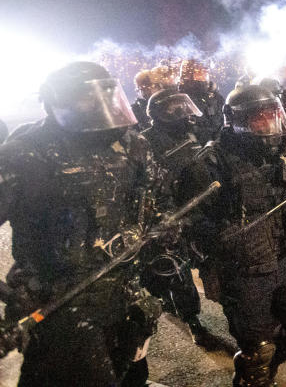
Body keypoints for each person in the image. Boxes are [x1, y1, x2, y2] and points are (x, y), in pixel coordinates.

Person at [0, 62, 170, 386]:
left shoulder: (133, 146)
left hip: (125, 294)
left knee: (131, 377)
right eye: (86, 98)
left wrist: (164, 227)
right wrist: (10, 297)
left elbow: (158, 197)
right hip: (61, 306)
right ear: (55, 101)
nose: (99, 106)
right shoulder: (25, 155)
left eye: (105, 96)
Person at [193, 85, 286, 386]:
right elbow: (192, 222)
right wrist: (220, 234)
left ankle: (265, 372)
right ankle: (255, 377)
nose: (267, 124)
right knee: (257, 351)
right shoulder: (213, 161)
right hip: (245, 270)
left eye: (271, 116)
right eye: (258, 118)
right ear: (238, 121)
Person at [140, 88, 221, 350]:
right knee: (177, 274)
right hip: (174, 216)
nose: (183, 114)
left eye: (184, 106)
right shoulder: (147, 143)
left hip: (201, 210)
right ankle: (192, 321)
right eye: (175, 109)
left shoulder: (192, 132)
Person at [179, 59, 224, 143]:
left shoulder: (215, 96)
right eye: (199, 72)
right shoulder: (181, 99)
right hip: (198, 147)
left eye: (205, 71)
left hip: (218, 144)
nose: (204, 74)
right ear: (189, 75)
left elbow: (222, 119)